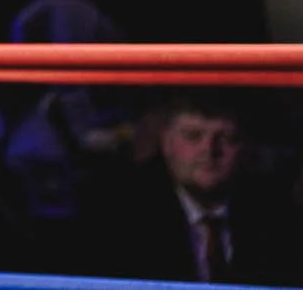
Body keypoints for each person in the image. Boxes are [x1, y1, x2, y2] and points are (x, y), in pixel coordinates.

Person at [78, 96, 303, 285]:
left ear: (245, 147)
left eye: (226, 138)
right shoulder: (121, 216)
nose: (209, 150)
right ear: (166, 143)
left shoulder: (278, 214)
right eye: (193, 137)